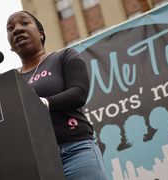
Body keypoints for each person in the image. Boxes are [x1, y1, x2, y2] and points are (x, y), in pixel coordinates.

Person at [6, 10, 109, 180]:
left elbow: (79, 93)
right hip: (40, 163)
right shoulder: (12, 81)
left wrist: (45, 103)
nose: (17, 29)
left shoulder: (64, 57)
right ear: (10, 46)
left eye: (24, 23)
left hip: (76, 151)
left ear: (41, 34)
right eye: (11, 28)